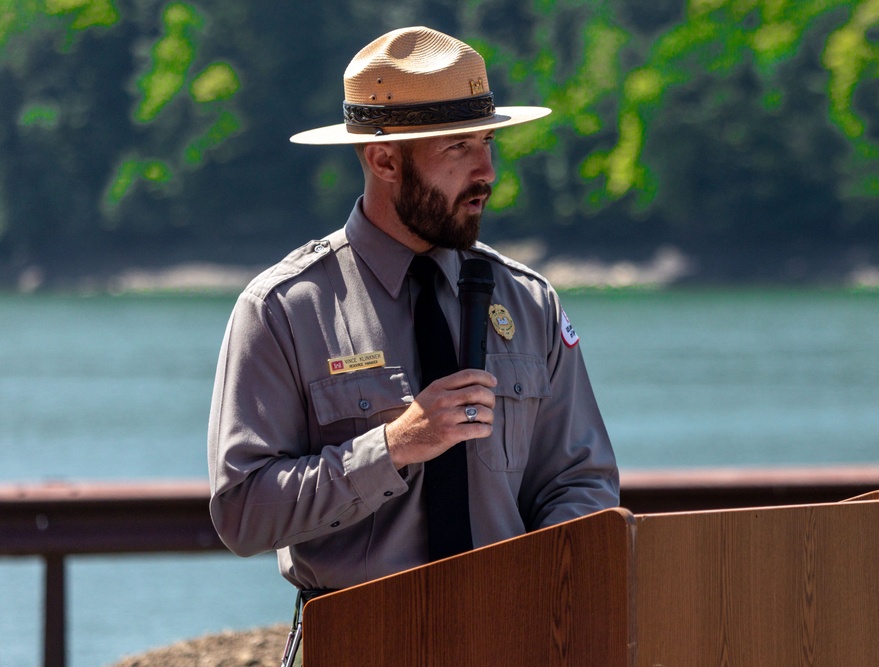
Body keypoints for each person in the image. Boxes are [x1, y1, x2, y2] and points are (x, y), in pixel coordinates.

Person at [207, 26, 619, 599]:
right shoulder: (284, 309)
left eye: (487, 143)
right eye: (458, 148)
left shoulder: (529, 302)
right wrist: (394, 446)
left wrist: (542, 587)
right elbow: (244, 513)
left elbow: (580, 482)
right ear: (384, 161)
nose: (487, 173)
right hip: (357, 644)